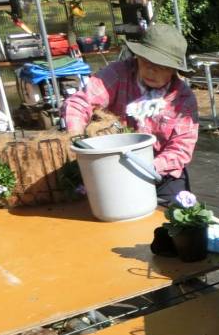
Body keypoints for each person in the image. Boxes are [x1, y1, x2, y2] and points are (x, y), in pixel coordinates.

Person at [62, 23, 199, 206]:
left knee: (180, 220)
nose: (151, 70)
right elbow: (80, 102)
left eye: (160, 66)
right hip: (111, 165)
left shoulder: (183, 99)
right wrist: (77, 138)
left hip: (162, 171)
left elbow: (180, 148)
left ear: (173, 69)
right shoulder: (118, 74)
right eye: (145, 61)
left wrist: (148, 168)